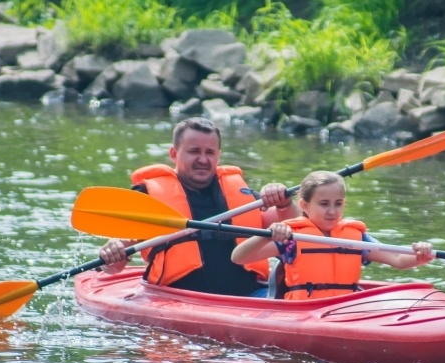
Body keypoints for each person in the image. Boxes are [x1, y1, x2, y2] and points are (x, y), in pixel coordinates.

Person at [99, 117, 299, 297]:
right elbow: (114, 266)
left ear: (218, 155)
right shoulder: (147, 196)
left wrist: (284, 203)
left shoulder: (242, 193)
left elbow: (296, 228)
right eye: (194, 151)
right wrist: (113, 251)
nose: (203, 160)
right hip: (177, 299)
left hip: (251, 297)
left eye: (209, 152)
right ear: (174, 154)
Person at [231, 170, 434, 300]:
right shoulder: (292, 238)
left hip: (342, 311)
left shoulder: (356, 237)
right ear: (304, 205)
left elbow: (398, 259)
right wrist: (267, 235)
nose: (332, 211)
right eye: (324, 204)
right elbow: (239, 257)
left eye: (338, 204)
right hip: (303, 313)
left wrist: (420, 255)